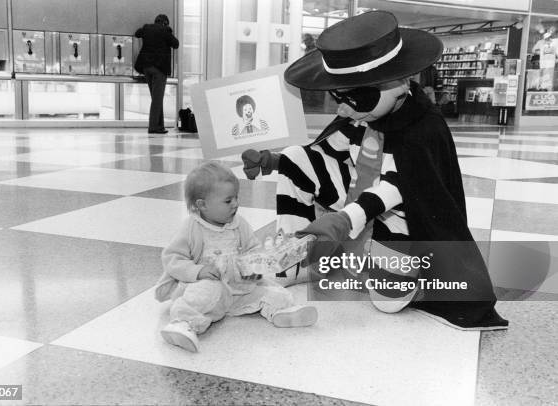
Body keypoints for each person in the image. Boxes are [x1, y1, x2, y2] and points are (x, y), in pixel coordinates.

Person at [241, 11, 508, 331]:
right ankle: (295, 258)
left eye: (353, 97)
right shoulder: (359, 115)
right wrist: (273, 161)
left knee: (387, 300)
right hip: (358, 194)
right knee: (298, 157)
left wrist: (344, 219)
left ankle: (401, 274)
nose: (342, 108)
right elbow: (327, 151)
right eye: (338, 96)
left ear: (398, 85)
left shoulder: (420, 130)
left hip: (399, 222)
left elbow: (396, 188)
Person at [154, 162, 318, 353]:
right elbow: (172, 258)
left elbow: (254, 249)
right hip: (210, 288)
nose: (236, 204)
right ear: (202, 205)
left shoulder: (239, 224)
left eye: (236, 198)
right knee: (204, 293)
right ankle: (183, 323)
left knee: (272, 290)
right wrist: (198, 271)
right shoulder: (191, 228)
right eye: (228, 200)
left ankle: (282, 311)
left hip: (239, 289)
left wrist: (256, 269)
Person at [135, 14, 179, 134]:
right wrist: (168, 31)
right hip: (159, 69)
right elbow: (176, 44)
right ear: (165, 23)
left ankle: (160, 126)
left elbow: (137, 33)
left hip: (146, 68)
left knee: (156, 98)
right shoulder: (165, 31)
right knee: (157, 99)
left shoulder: (147, 28)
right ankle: (153, 127)